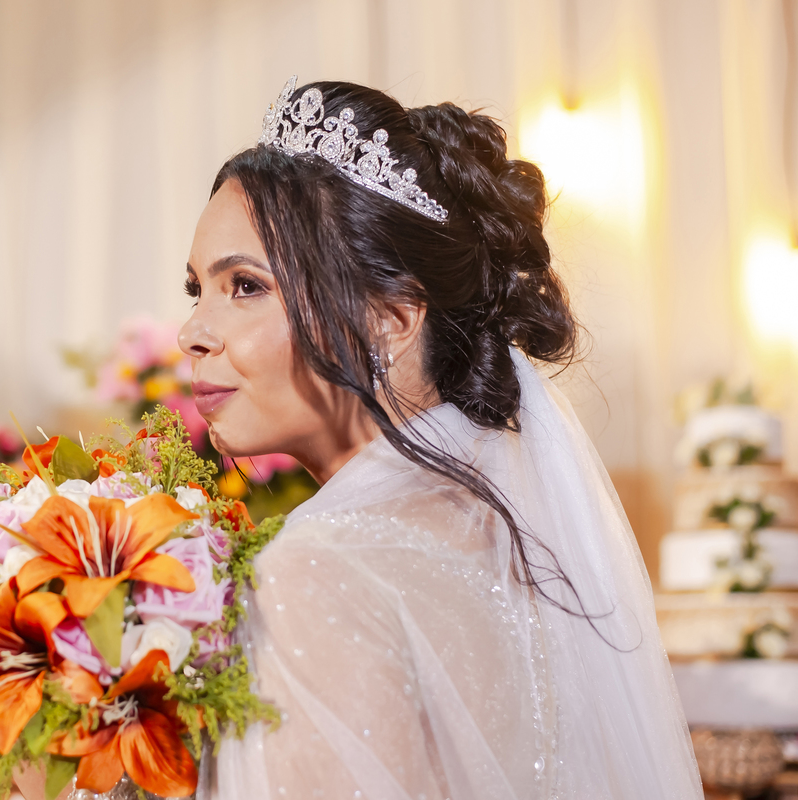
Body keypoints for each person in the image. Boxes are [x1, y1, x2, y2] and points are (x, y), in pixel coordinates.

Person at [176, 77, 703, 799]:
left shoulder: (313, 574)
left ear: (390, 322)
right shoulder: (515, 541)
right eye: (194, 290)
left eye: (245, 286)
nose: (193, 333)